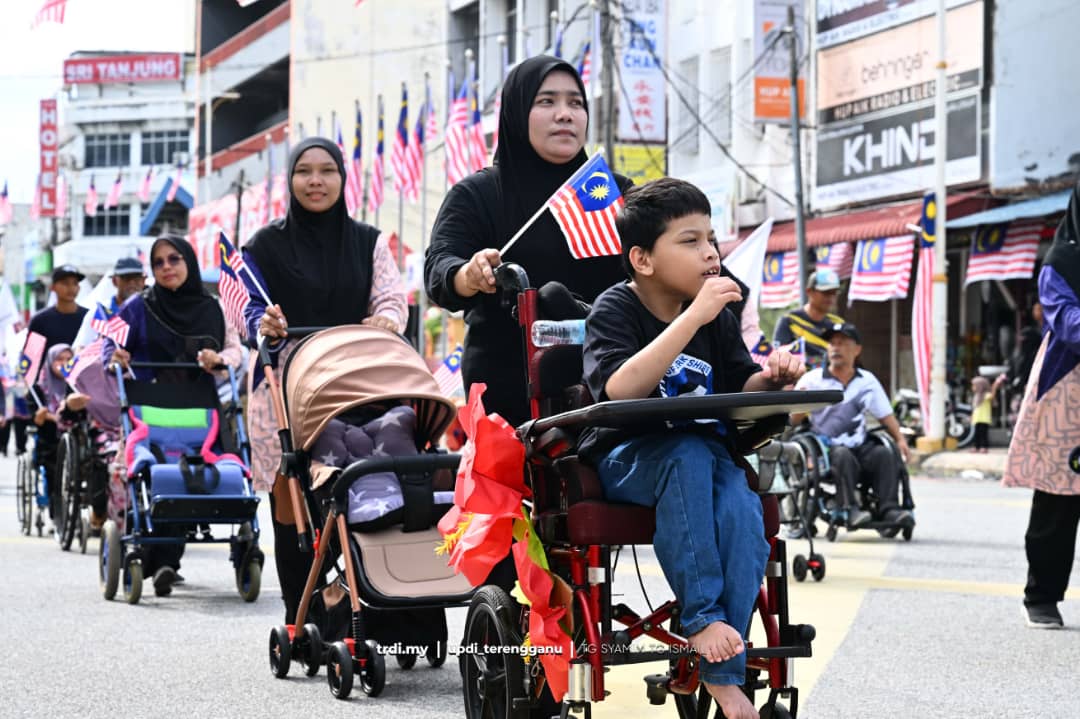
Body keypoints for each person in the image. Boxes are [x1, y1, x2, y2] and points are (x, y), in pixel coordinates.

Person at [580, 178, 804, 719]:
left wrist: (774, 380)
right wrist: (692, 318)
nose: (710, 252)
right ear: (643, 258)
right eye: (690, 240)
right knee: (690, 454)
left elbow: (740, 386)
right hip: (627, 458)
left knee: (741, 506)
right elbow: (618, 389)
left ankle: (724, 676)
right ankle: (702, 619)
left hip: (705, 459)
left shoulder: (717, 318)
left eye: (711, 239)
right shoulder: (616, 309)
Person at [245, 136, 407, 624]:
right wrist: (264, 323)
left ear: (342, 178)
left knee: (385, 475)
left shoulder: (369, 241)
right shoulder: (263, 244)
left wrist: (384, 320)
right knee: (291, 497)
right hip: (287, 381)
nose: (315, 181)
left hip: (359, 376)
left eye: (327, 171)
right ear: (290, 180)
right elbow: (248, 308)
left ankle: (390, 607)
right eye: (304, 171)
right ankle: (304, 612)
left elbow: (392, 301)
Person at [425, 55, 633, 428]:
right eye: (547, 101)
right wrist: (467, 275)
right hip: (510, 392)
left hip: (615, 382)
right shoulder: (480, 193)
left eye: (576, 102)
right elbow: (440, 267)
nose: (565, 114)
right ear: (518, 112)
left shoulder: (612, 192)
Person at [102, 235, 244, 596]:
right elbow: (110, 343)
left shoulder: (215, 307)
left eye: (174, 259)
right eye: (159, 262)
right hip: (149, 409)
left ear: (189, 263)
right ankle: (162, 560)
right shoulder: (137, 307)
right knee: (156, 473)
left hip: (200, 410)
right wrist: (115, 356)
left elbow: (234, 350)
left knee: (191, 473)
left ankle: (165, 561)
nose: (167, 267)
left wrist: (220, 360)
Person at [1003, 183, 1080, 630]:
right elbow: (1067, 322)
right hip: (1067, 392)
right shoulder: (1061, 264)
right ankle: (1042, 596)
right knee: (1058, 499)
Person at [792, 322, 913, 529]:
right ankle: (850, 509)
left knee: (884, 454)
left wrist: (900, 440)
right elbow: (792, 421)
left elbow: (885, 415)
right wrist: (800, 404)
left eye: (842, 343)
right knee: (842, 455)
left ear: (857, 350)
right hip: (826, 449)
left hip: (860, 445)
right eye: (832, 343)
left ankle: (889, 508)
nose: (835, 348)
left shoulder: (867, 381)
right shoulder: (812, 380)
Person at [773, 268, 845, 368]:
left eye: (834, 292)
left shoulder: (838, 324)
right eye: (826, 292)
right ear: (809, 291)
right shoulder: (790, 321)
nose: (831, 297)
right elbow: (778, 356)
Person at [73, 256, 147, 347]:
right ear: (114, 281)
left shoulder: (152, 310)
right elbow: (81, 347)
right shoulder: (100, 312)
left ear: (143, 281)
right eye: (126, 278)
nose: (132, 283)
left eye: (136, 278)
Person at [28, 265, 89, 352]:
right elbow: (31, 356)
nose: (71, 288)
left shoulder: (88, 317)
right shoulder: (40, 321)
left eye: (75, 283)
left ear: (79, 288)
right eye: (65, 283)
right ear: (52, 287)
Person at [970, 376, 993, 453]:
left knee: (983, 434)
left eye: (974, 385)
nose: (972, 387)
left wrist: (995, 385)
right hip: (977, 418)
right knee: (976, 434)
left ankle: (984, 446)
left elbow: (992, 396)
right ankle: (976, 446)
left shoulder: (986, 395)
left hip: (984, 419)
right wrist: (972, 416)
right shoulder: (976, 396)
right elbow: (975, 408)